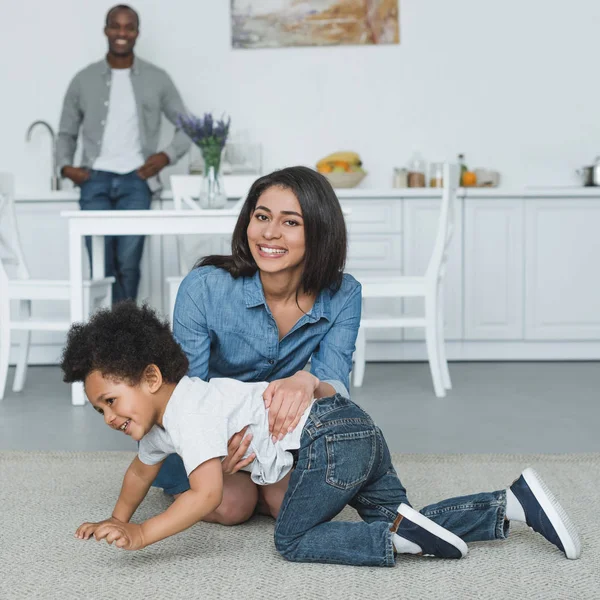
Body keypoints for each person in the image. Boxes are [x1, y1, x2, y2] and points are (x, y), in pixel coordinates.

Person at [61, 302, 582, 564]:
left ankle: (390, 539)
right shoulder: (160, 428)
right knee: (402, 514)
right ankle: (512, 504)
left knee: (292, 538)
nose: (108, 417)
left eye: (111, 400)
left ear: (152, 378)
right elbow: (139, 470)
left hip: (325, 439)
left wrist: (142, 534)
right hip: (353, 427)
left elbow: (208, 494)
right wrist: (116, 516)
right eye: (98, 410)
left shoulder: (190, 410)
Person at [153, 166, 362, 525]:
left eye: (290, 222)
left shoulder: (344, 294)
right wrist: (212, 454)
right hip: (202, 426)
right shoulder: (204, 287)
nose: (269, 232)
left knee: (292, 505)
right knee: (232, 505)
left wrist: (308, 381)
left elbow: (335, 388)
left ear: (320, 230)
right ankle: (225, 484)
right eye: (261, 216)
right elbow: (185, 392)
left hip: (274, 434)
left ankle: (263, 487)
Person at [55, 4, 191, 303]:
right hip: (94, 181)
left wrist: (165, 156)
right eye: (115, 26)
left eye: (129, 27)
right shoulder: (83, 79)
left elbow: (188, 126)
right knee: (100, 269)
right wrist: (66, 167)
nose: (122, 33)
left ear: (137, 33)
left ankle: (125, 346)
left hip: (136, 183)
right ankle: (102, 344)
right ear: (105, 30)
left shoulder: (158, 78)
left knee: (129, 266)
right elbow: (66, 132)